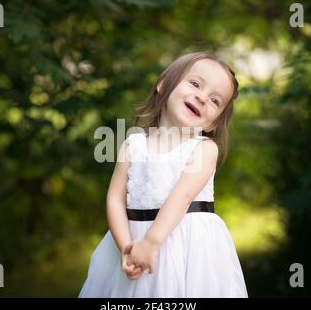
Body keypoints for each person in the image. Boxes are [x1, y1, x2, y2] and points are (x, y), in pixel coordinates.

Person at [79, 52, 248, 297]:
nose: (201, 97)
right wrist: (126, 246)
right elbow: (116, 198)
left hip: (187, 248)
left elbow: (182, 197)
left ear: (213, 123)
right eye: (195, 84)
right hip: (134, 240)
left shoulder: (204, 148)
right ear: (163, 84)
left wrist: (151, 242)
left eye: (215, 100)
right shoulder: (133, 145)